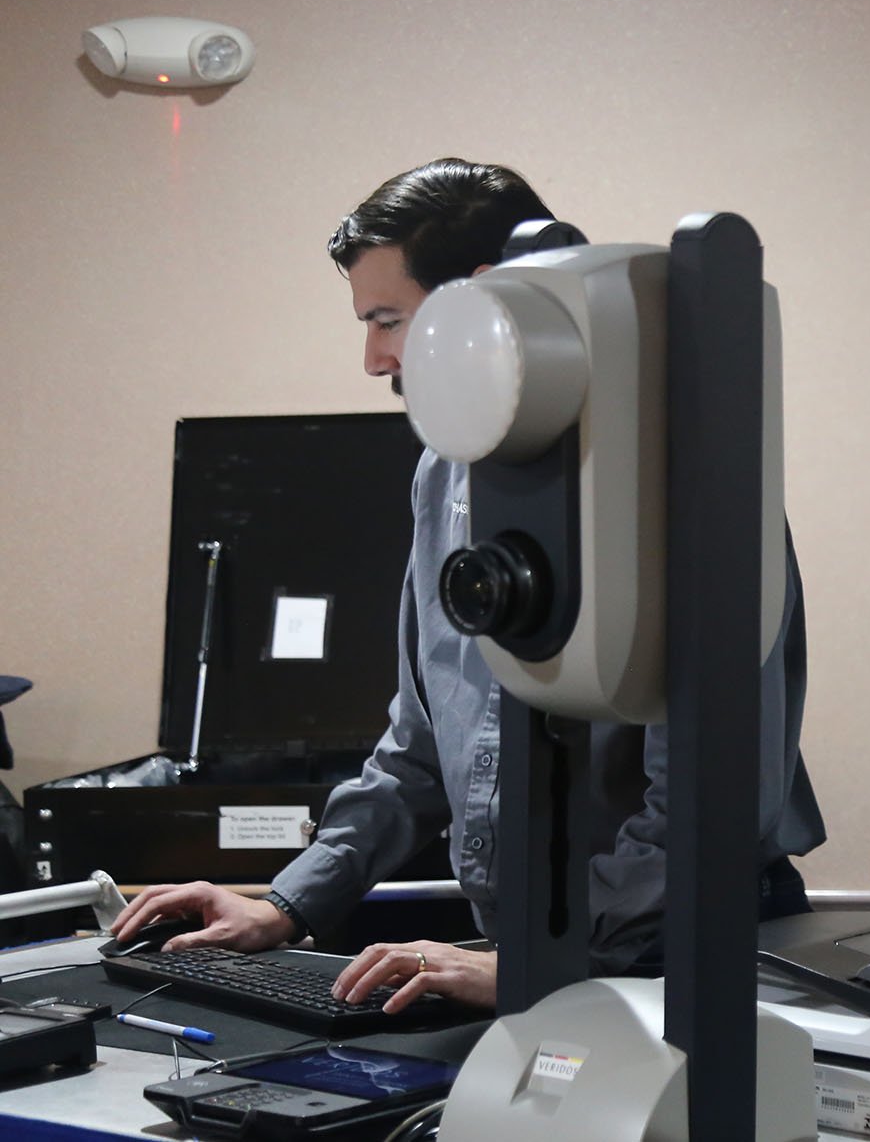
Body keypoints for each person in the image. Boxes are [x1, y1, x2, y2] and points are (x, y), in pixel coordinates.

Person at [114, 159, 825, 1013]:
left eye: (389, 320)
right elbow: (420, 742)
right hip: (541, 954)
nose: (374, 358)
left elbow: (718, 792)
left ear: (482, 299)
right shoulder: (442, 471)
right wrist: (288, 901)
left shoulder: (677, 473)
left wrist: (546, 962)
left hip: (681, 958)